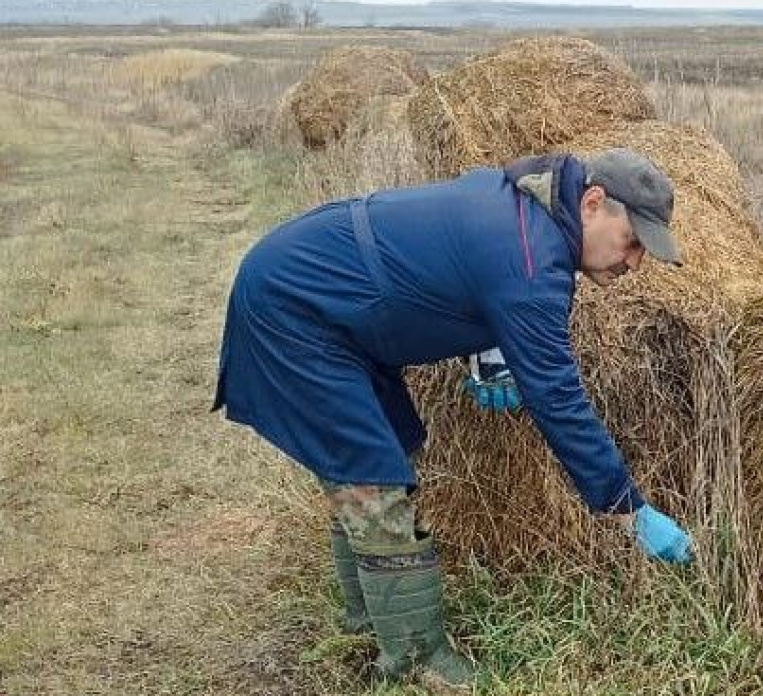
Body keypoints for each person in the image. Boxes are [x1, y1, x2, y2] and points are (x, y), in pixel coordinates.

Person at [211, 148, 694, 689]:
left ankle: (367, 618)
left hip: (333, 305)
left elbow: (460, 264)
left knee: (394, 448)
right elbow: (557, 399)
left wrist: (488, 348)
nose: (634, 263)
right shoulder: (533, 259)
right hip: (297, 307)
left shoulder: (527, 211)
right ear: (593, 203)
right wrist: (627, 507)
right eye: (632, 241)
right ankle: (415, 657)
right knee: (371, 477)